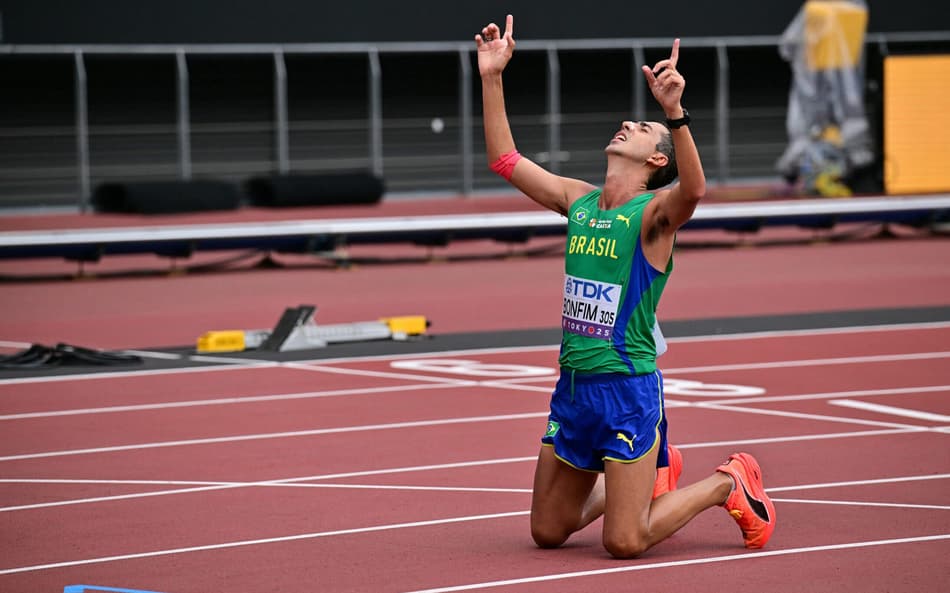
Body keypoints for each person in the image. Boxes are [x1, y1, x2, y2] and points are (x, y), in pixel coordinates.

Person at [475, 15, 775, 557]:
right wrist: (492, 76)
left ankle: (727, 481)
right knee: (547, 531)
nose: (626, 125)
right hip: (572, 387)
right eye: (631, 121)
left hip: (626, 389)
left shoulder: (653, 216)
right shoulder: (579, 200)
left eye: (641, 128)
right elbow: (504, 158)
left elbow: (696, 190)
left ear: (657, 158)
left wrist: (675, 116)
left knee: (625, 542)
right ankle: (639, 485)